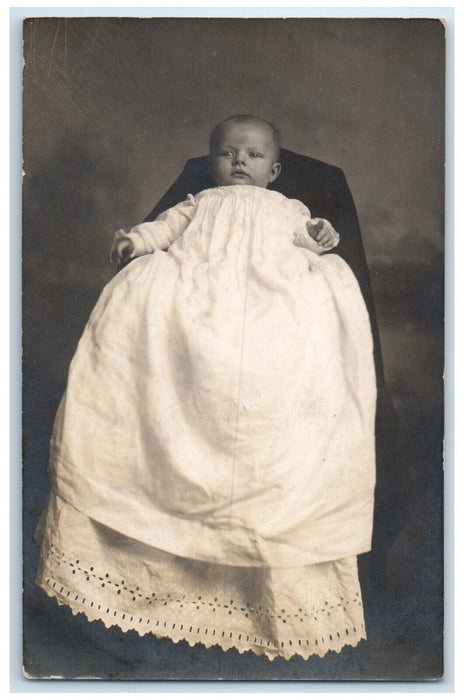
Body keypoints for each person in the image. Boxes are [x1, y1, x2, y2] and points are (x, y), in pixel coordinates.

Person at [35, 115, 376, 661]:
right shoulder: (199, 203)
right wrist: (135, 243)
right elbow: (162, 231)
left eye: (255, 155)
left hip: (267, 299)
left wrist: (320, 237)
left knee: (300, 326)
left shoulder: (286, 208)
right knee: (152, 299)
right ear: (213, 163)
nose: (241, 162)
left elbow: (314, 240)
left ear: (275, 170)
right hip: (203, 292)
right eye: (228, 153)